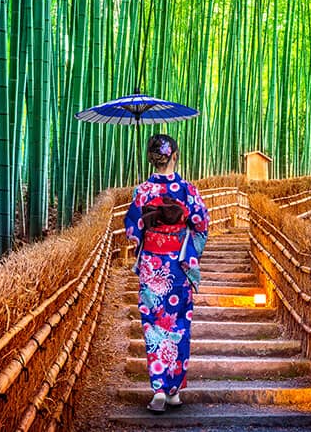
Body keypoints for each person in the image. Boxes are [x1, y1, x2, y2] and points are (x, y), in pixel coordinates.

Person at [124, 133, 209, 413]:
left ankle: (158, 390)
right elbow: (201, 223)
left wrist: (146, 227)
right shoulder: (187, 190)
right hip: (178, 266)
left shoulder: (142, 191)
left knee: (153, 325)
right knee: (179, 325)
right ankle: (173, 391)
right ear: (175, 156)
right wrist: (186, 245)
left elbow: (132, 231)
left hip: (152, 267)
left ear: (152, 158)